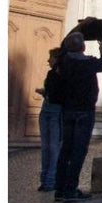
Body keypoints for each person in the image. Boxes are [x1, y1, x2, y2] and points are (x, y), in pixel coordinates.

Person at [55, 32, 102, 202]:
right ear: (84, 47)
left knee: (65, 151)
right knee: (78, 151)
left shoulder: (64, 62)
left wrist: (81, 27)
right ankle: (71, 190)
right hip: (85, 112)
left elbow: (64, 48)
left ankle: (60, 190)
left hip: (68, 111)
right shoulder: (89, 63)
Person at [35, 48, 64, 192]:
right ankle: (45, 180)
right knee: (46, 147)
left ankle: (51, 180)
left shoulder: (64, 74)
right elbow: (52, 92)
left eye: (51, 57)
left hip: (56, 114)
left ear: (57, 58)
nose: (48, 60)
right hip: (45, 111)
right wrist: (45, 93)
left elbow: (62, 95)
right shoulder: (51, 73)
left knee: (53, 148)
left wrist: (48, 93)